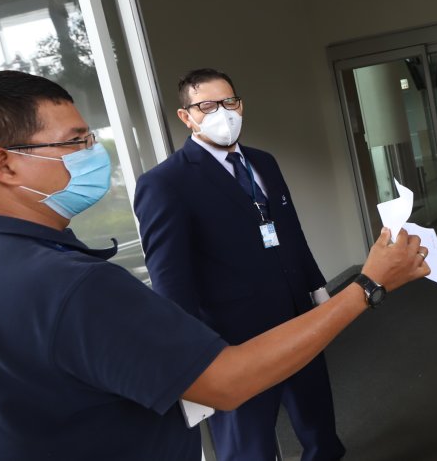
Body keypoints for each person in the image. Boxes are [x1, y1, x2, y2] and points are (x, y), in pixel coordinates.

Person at [0, 70, 428, 461]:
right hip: (230, 339)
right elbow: (224, 379)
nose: (93, 151)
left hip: (288, 312)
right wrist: (368, 283)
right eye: (76, 141)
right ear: (5, 163)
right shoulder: (72, 285)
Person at [133, 68, 343, 461]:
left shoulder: (264, 162)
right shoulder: (166, 183)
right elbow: (170, 279)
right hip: (235, 340)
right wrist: (191, 354)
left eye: (230, 102)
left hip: (299, 318)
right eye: (207, 105)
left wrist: (317, 288)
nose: (223, 113)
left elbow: (291, 230)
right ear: (186, 116)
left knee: (319, 422)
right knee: (249, 443)